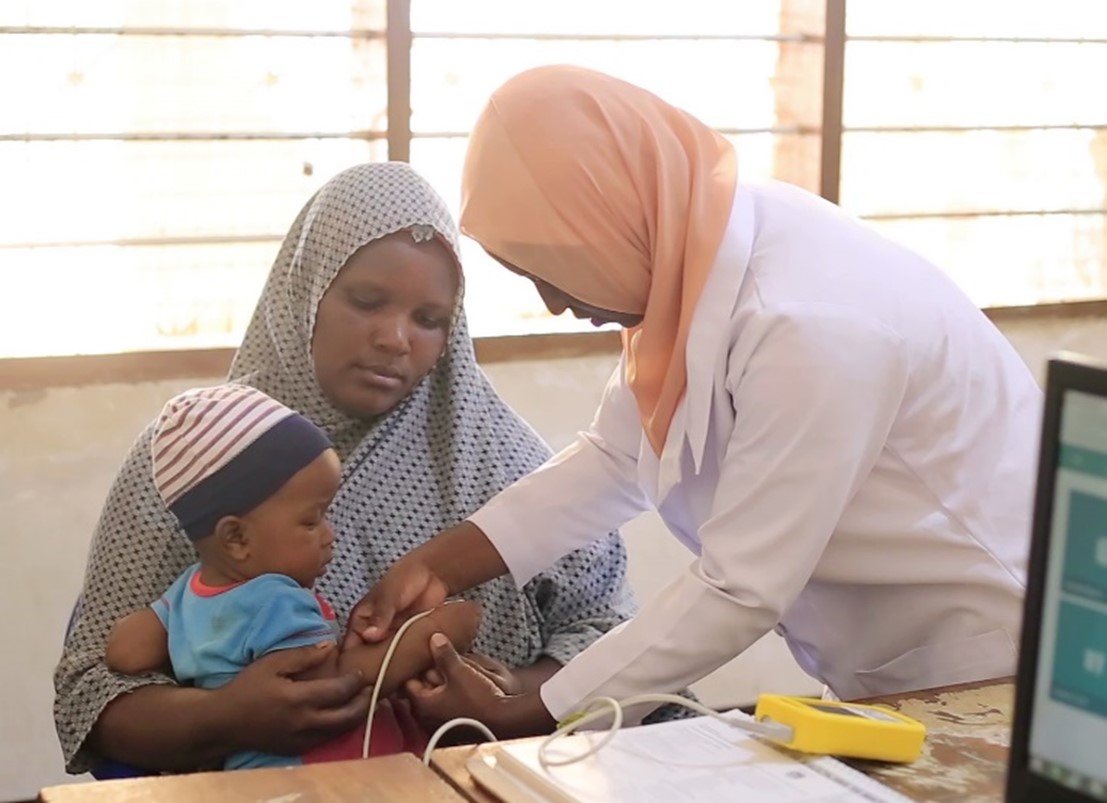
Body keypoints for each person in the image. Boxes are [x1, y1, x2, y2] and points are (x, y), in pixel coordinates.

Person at [350, 66, 1044, 737]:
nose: (555, 303)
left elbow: (739, 587)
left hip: (985, 664)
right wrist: (436, 565)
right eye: (529, 277)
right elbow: (618, 456)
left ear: (609, 213)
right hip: (888, 668)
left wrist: (537, 706)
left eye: (554, 268)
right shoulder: (692, 252)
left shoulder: (809, 324)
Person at [54, 161, 638, 775]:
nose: (395, 338)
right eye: (366, 302)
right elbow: (90, 688)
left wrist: (518, 689)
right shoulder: (197, 454)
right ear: (306, 291)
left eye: (430, 320)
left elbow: (613, 633)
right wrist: (225, 717)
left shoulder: (502, 459)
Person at [104, 383, 482, 769]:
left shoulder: (186, 592)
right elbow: (329, 688)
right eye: (312, 519)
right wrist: (432, 635)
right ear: (236, 538)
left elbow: (125, 652)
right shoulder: (277, 598)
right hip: (312, 779)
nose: (329, 534)